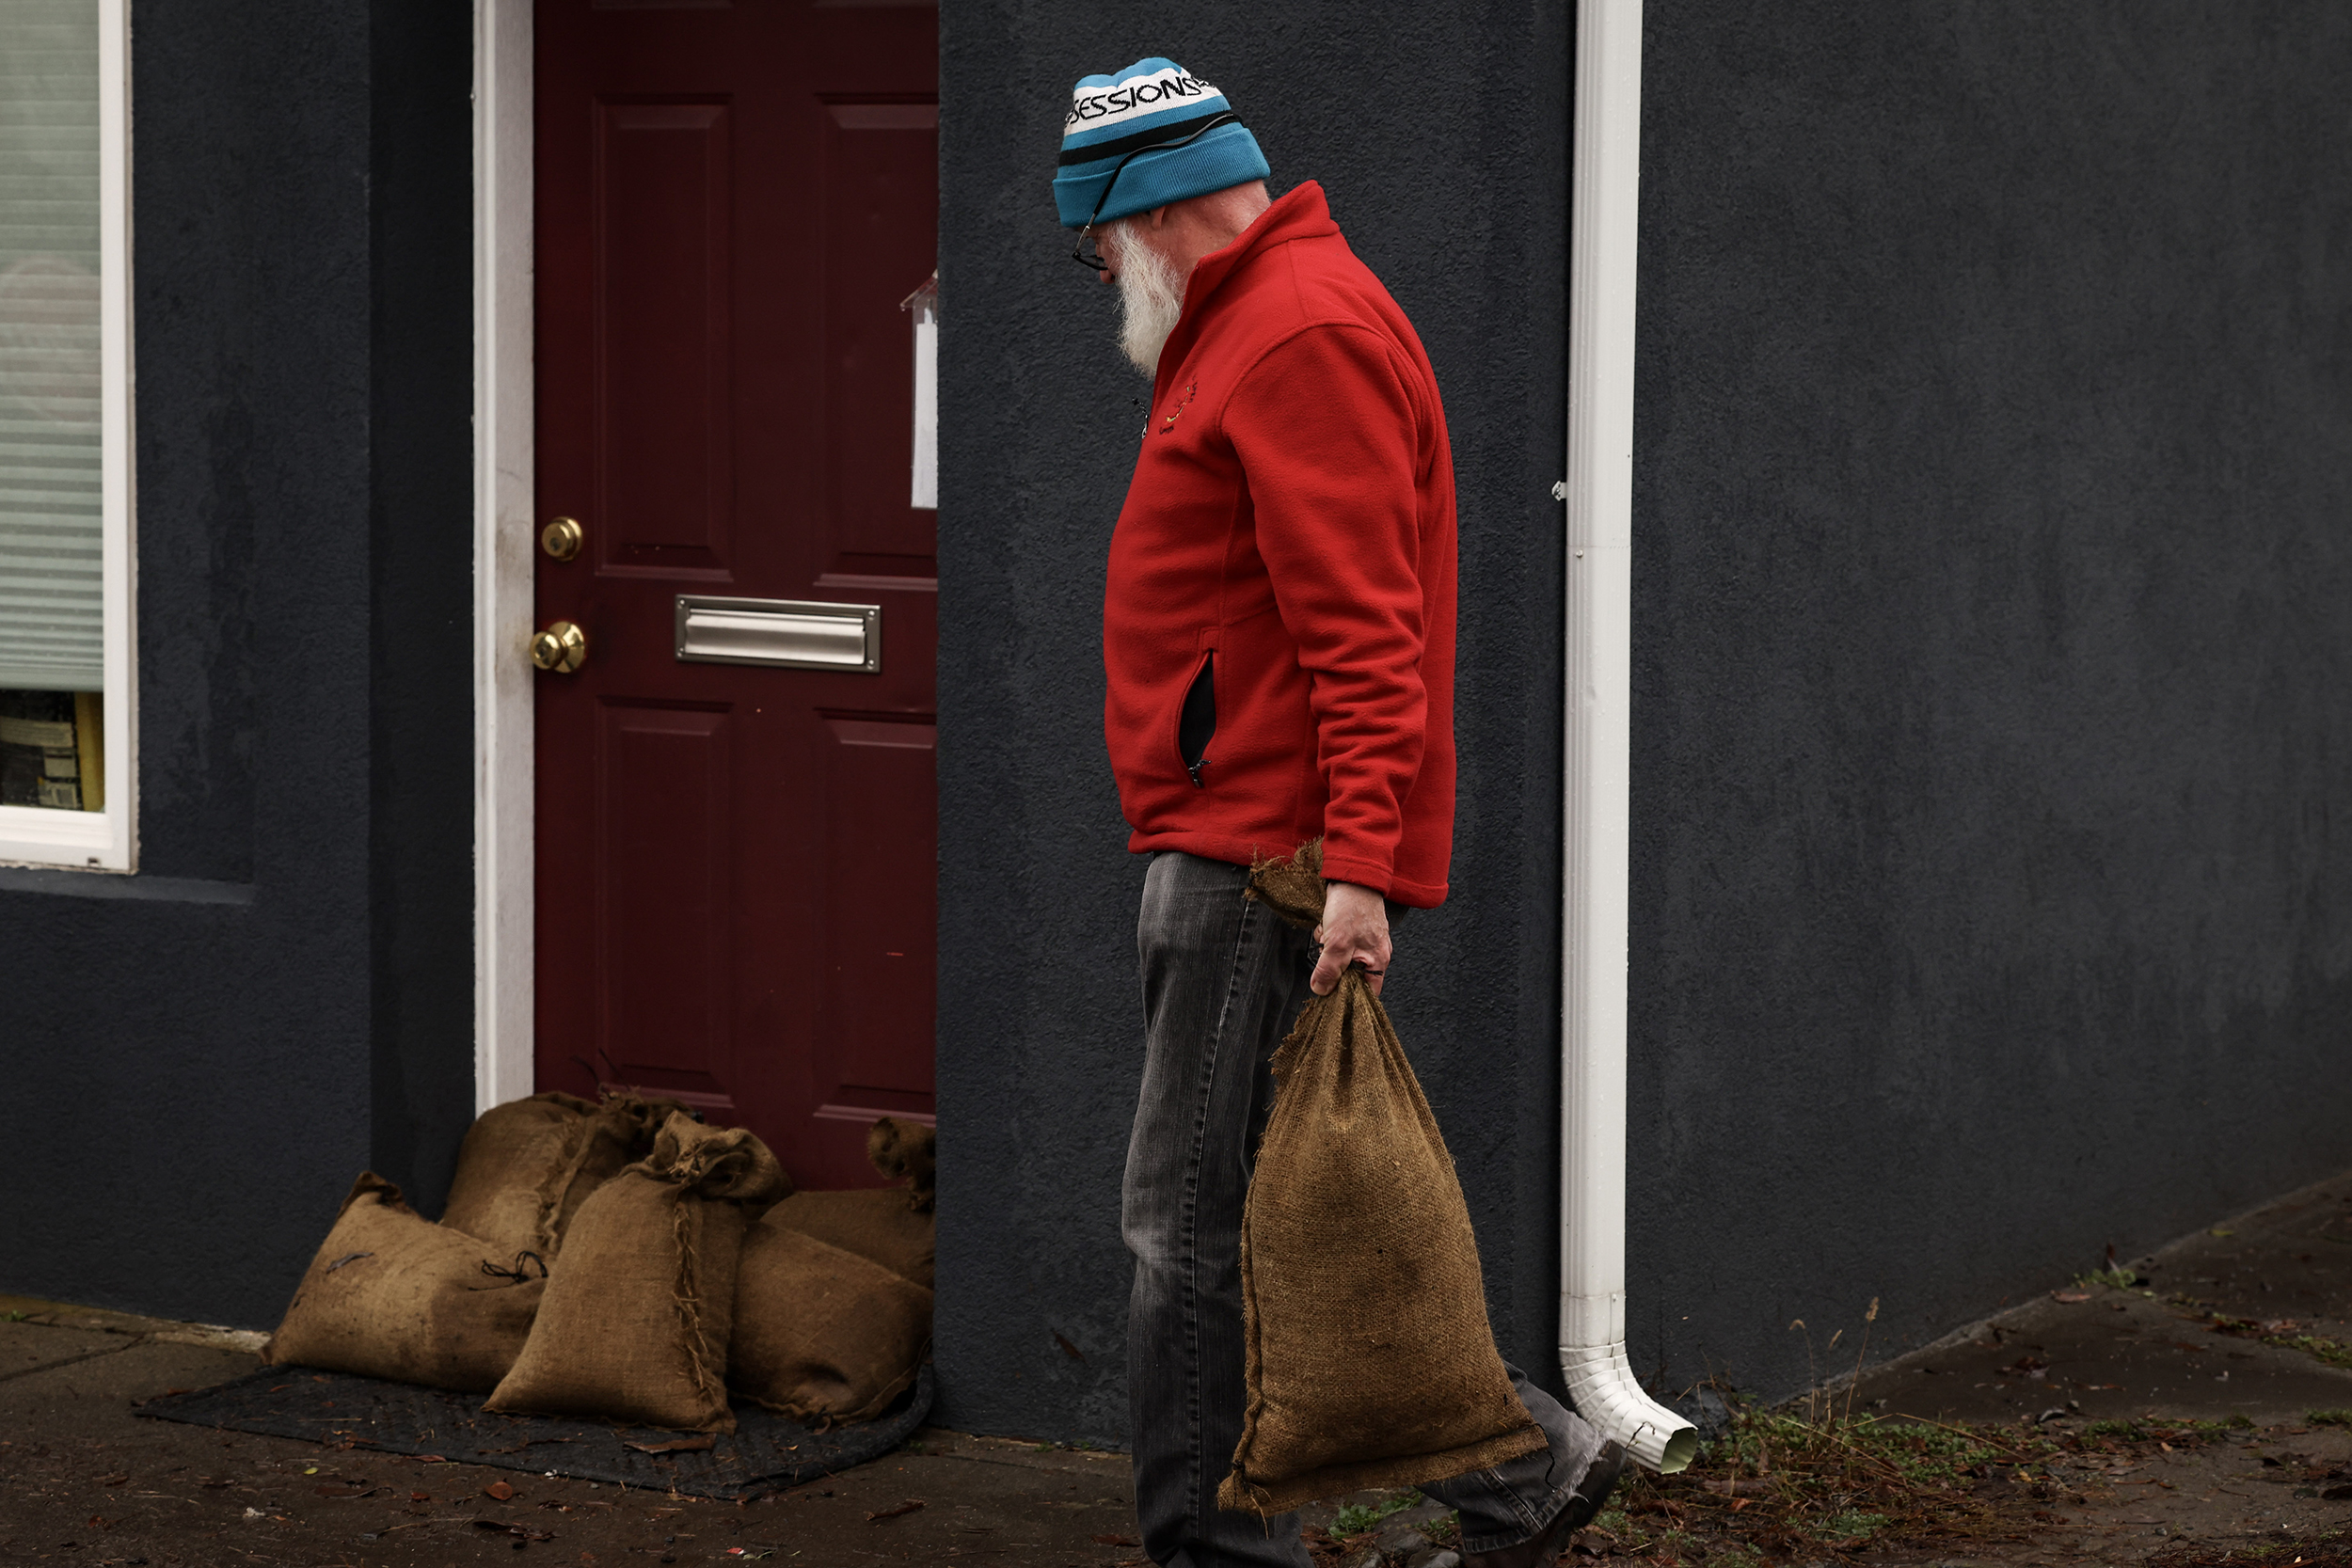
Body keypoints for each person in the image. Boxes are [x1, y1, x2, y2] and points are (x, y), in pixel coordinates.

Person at [1055, 56, 1628, 1568]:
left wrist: (1357, 874)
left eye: (1095, 240)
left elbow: (1370, 634)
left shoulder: (1293, 332)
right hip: (1244, 840)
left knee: (1181, 1233)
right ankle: (1528, 1478)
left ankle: (1220, 1554)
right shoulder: (1254, 322)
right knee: (1259, 1218)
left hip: (1264, 861)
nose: (1097, 272)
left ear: (1156, 209)